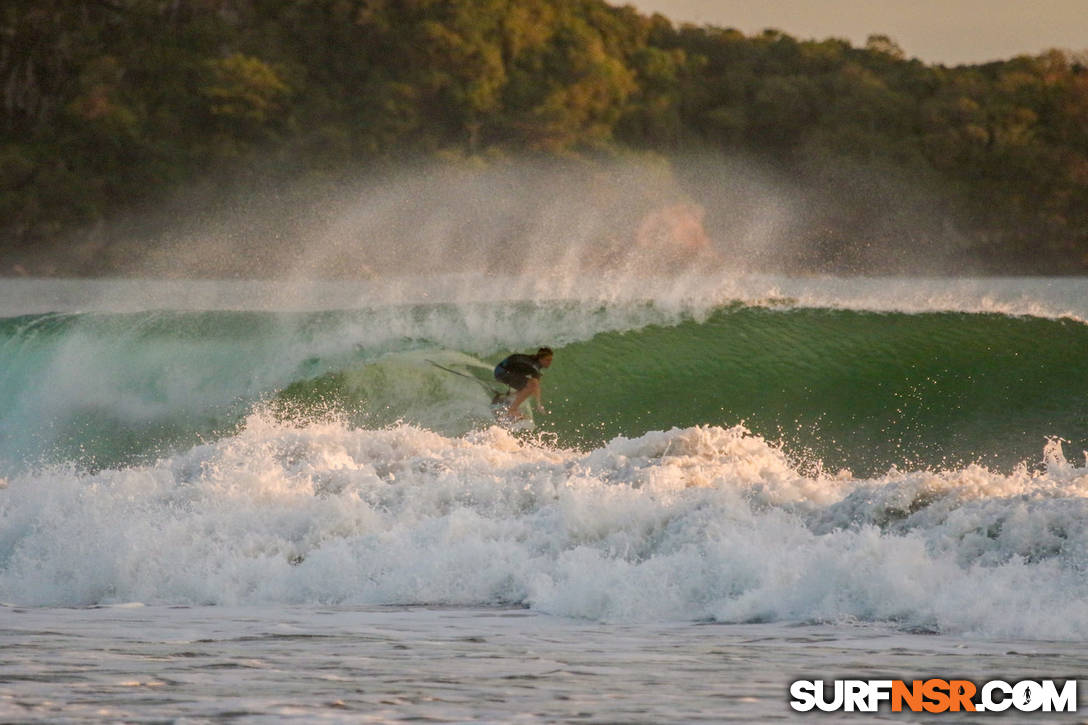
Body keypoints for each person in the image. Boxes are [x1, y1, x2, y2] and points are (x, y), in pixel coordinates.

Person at [494, 347, 553, 420]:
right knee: (531, 385)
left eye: (551, 360)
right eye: (547, 360)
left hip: (503, 370)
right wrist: (539, 404)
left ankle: (505, 398)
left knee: (527, 388)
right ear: (540, 359)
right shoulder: (534, 366)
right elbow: (536, 384)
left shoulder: (533, 361)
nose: (549, 362)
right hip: (502, 372)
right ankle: (512, 410)